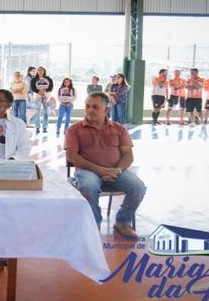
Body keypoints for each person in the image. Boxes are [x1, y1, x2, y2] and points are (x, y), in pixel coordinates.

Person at [65, 92, 146, 238]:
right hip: (87, 171)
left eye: (95, 107)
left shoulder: (119, 129)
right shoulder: (74, 129)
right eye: (87, 106)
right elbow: (73, 157)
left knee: (138, 187)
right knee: (89, 187)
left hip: (115, 171)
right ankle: (93, 224)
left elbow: (128, 155)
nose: (90, 110)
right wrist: (100, 170)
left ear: (106, 110)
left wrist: (118, 170)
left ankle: (122, 222)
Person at [30, 66, 54, 134]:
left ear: (44, 71)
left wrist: (45, 91)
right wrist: (38, 92)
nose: (40, 71)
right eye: (39, 70)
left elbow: (51, 86)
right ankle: (37, 127)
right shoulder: (34, 79)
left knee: (46, 111)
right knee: (37, 111)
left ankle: (45, 127)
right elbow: (32, 87)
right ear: (37, 71)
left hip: (46, 96)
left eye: (42, 70)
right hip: (37, 96)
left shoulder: (48, 78)